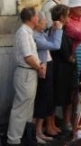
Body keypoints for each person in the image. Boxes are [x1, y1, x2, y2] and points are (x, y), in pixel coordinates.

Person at [6, 8, 45, 145]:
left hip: (30, 72)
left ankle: (26, 136)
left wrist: (39, 65)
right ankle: (13, 140)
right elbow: (28, 57)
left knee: (28, 107)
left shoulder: (28, 32)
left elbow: (32, 55)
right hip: (25, 72)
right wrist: (39, 67)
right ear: (32, 18)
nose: (38, 18)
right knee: (21, 107)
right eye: (36, 16)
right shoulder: (23, 33)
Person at [32, 12, 63, 142]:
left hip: (48, 66)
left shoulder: (41, 33)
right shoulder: (35, 36)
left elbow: (49, 40)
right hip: (42, 68)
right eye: (44, 21)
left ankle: (39, 130)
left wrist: (53, 30)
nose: (46, 23)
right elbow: (55, 45)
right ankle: (36, 132)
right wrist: (59, 31)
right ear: (37, 22)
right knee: (42, 99)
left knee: (46, 99)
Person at [49, 4, 77, 132]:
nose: (69, 18)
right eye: (67, 16)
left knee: (58, 97)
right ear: (62, 17)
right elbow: (65, 52)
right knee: (55, 98)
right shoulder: (58, 30)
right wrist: (76, 60)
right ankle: (50, 125)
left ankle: (52, 124)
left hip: (60, 68)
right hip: (60, 69)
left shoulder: (57, 29)